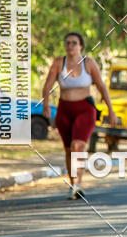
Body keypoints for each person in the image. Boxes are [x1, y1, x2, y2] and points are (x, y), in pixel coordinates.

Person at [42, 32, 117, 199]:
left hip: (85, 109)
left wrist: (110, 109)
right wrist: (45, 104)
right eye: (68, 42)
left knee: (78, 145)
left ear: (81, 46)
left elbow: (101, 86)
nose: (70, 46)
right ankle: (72, 183)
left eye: (74, 43)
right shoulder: (58, 63)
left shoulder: (88, 63)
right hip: (64, 109)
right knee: (69, 148)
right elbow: (47, 85)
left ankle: (78, 183)